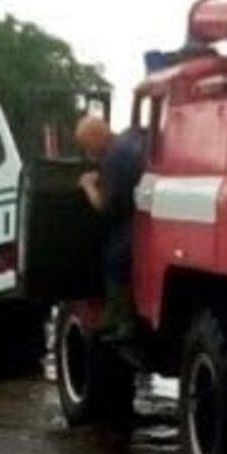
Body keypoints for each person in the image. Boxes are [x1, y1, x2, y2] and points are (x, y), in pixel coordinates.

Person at [75, 114, 147, 343]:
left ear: (95, 137)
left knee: (113, 254)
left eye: (87, 145)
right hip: (146, 213)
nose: (88, 152)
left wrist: (88, 186)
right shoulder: (130, 140)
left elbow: (105, 207)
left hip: (132, 224)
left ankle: (121, 321)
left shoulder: (114, 157)